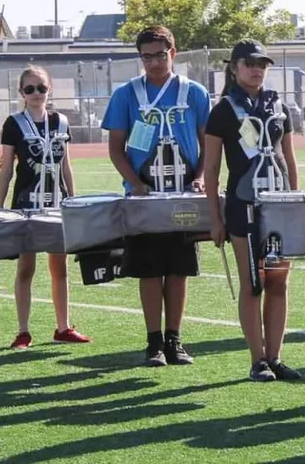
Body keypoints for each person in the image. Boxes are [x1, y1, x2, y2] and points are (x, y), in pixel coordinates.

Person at [102, 25, 211, 367]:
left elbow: (208, 143)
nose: (153, 62)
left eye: (159, 55)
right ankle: (153, 342)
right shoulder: (126, 94)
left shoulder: (194, 93)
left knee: (178, 270)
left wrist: (202, 177)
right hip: (145, 197)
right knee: (150, 271)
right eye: (146, 56)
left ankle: (175, 339)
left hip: (181, 195)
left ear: (173, 53)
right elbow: (116, 149)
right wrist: (134, 182)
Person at [204, 39, 302, 382]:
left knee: (279, 282)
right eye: (249, 63)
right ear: (234, 67)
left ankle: (275, 357)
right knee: (253, 284)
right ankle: (257, 359)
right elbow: (212, 170)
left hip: (277, 207)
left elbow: (289, 159)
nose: (257, 69)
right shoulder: (224, 110)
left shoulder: (279, 107)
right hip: (243, 206)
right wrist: (215, 218)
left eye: (262, 63)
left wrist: (293, 203)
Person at [0, 66, 91, 349]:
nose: (36, 93)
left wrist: (72, 200)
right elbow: (6, 169)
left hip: (56, 205)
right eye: (30, 89)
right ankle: (23, 331)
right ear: (21, 93)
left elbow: (66, 165)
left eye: (41, 88)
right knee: (26, 268)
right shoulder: (13, 123)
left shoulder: (61, 122)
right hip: (26, 205)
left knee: (59, 268)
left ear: (49, 89)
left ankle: (63, 326)